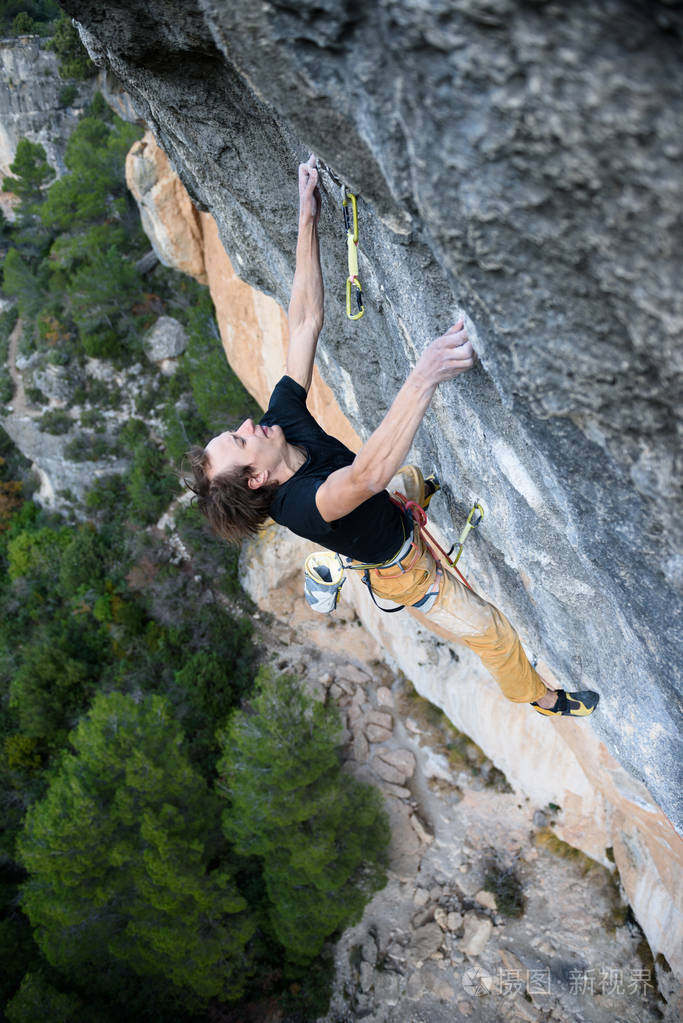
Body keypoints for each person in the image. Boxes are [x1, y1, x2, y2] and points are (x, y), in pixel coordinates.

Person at [186, 155, 599, 719]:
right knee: (493, 633)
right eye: (238, 440)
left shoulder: (279, 422)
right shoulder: (302, 505)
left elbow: (304, 320)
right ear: (257, 476)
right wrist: (425, 372)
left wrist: (306, 217)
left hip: (385, 504)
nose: (244, 426)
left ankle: (332, 565)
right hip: (407, 570)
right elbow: (365, 475)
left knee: (420, 482)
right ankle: (542, 699)